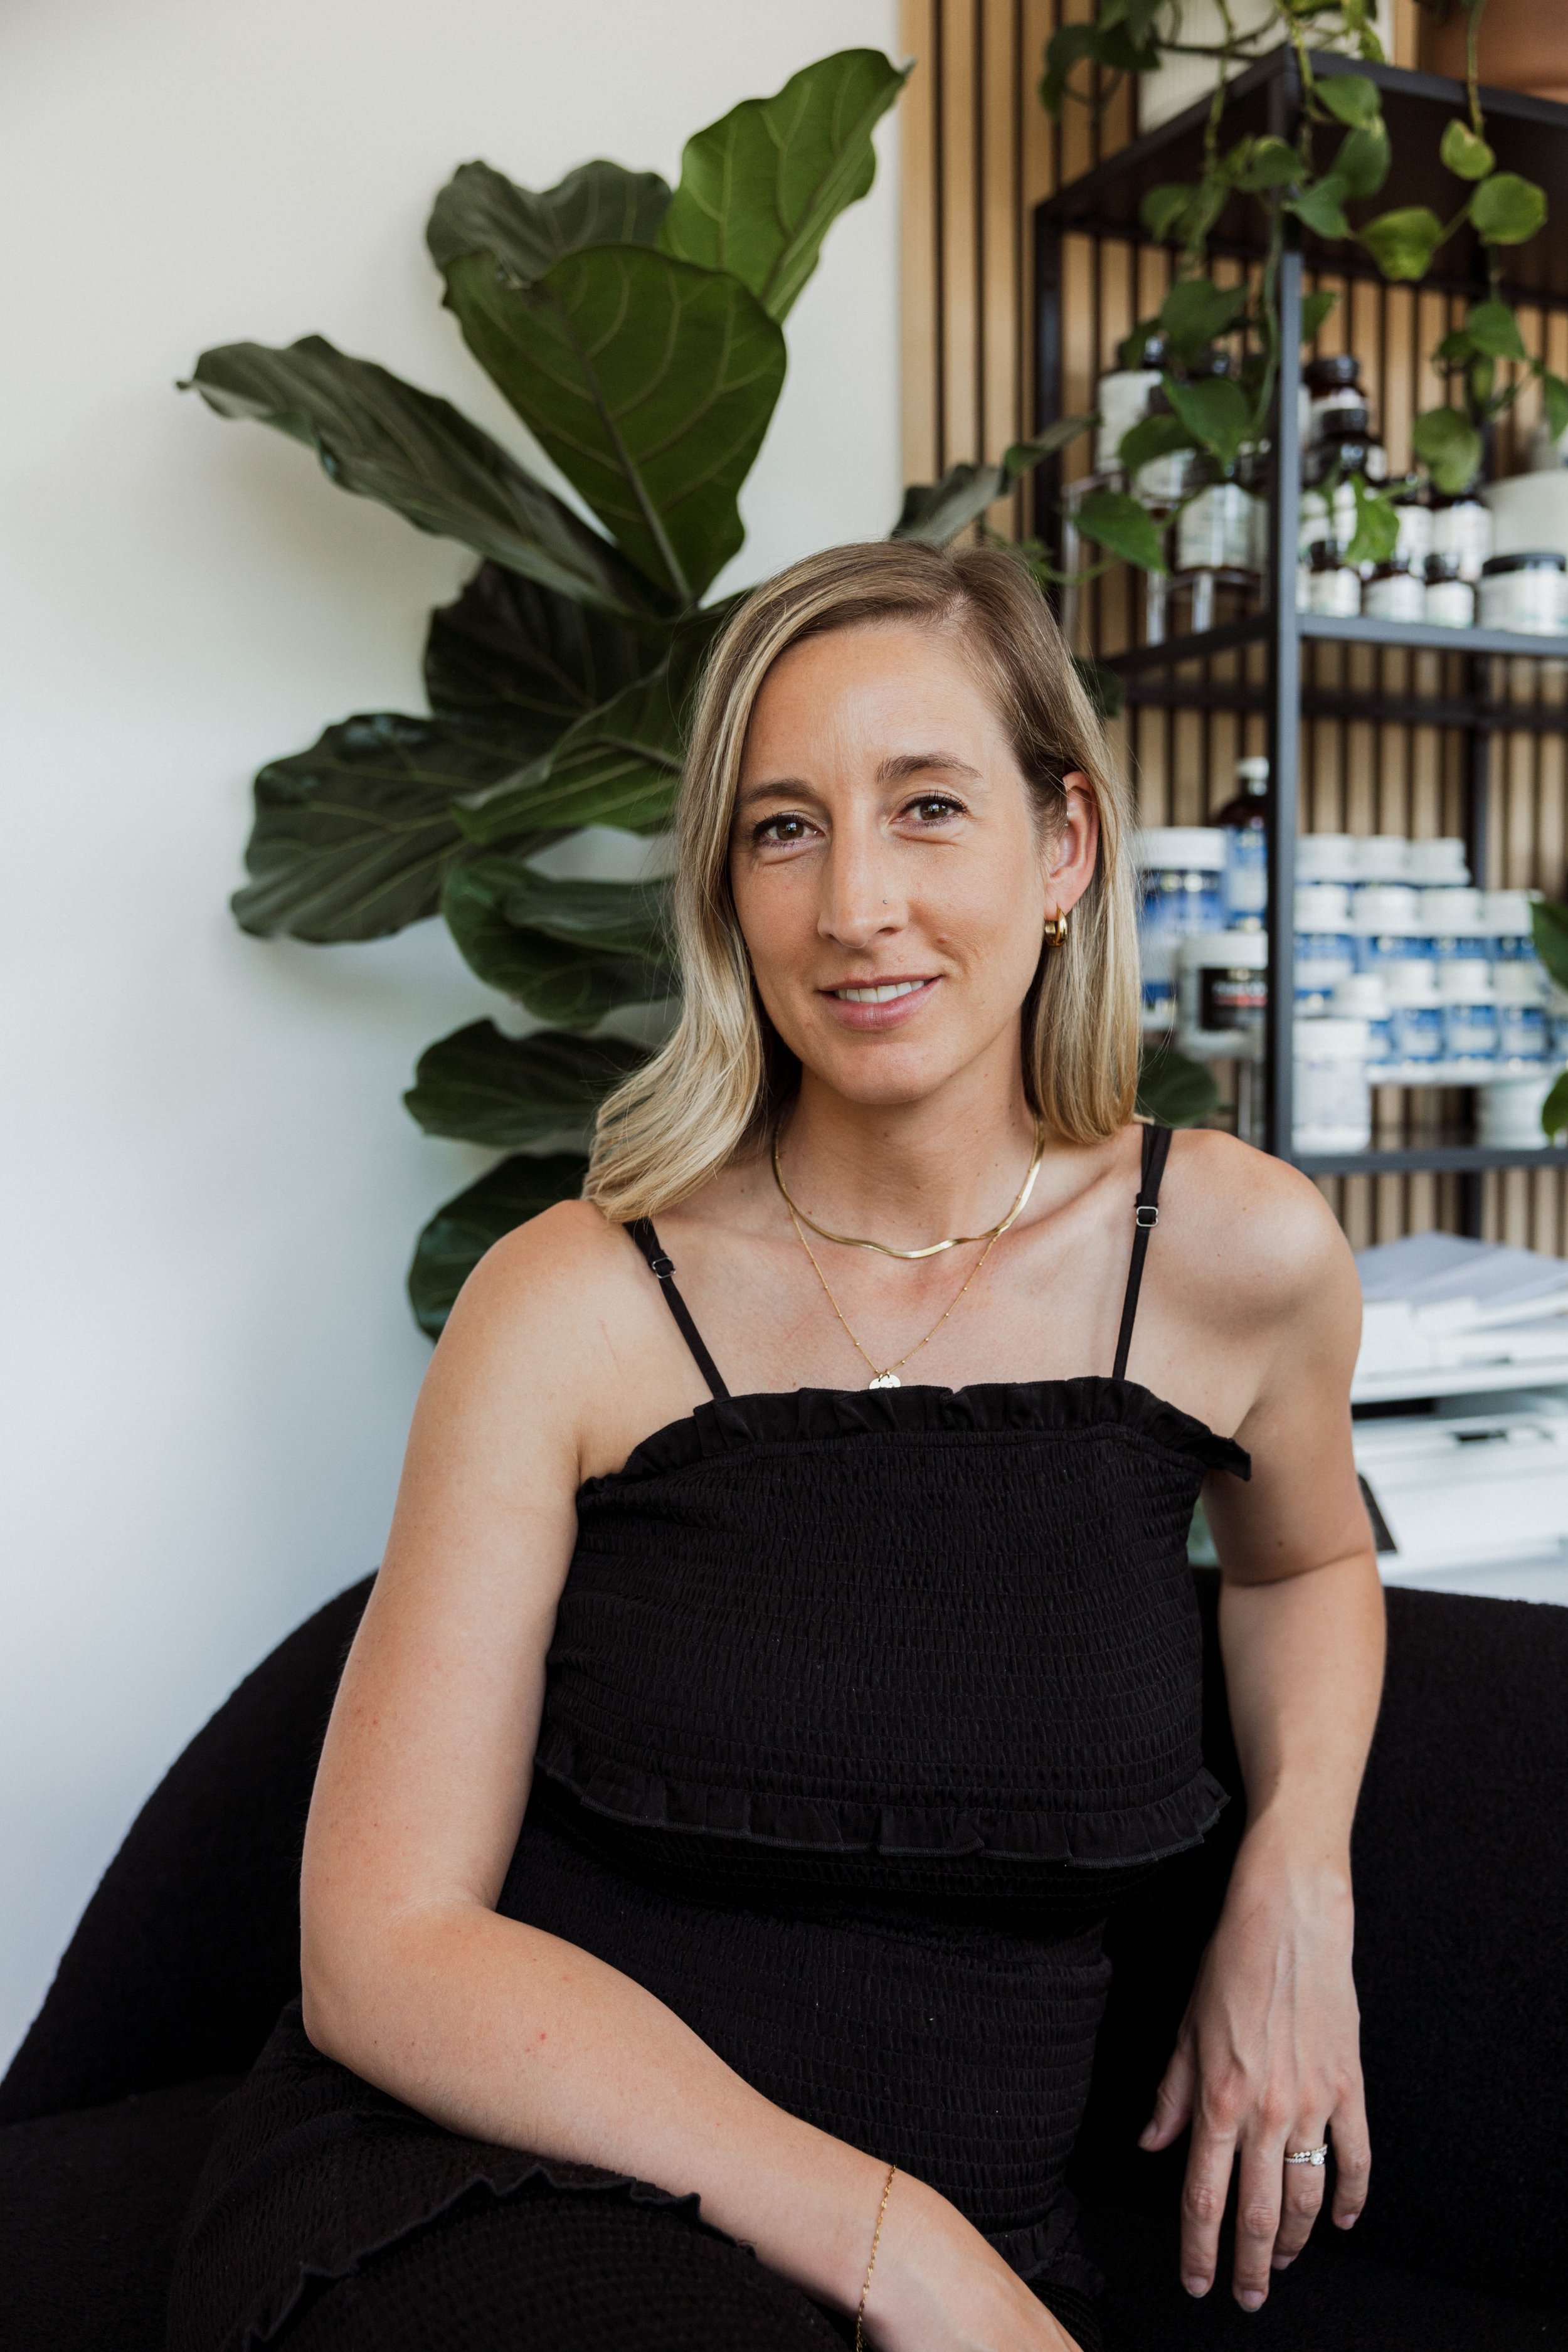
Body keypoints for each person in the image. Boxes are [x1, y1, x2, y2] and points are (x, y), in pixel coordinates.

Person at [169, 541, 1385, 2352]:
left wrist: (1297, 1873)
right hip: (507, 2186)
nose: (855, 905)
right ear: (727, 892)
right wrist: (904, 2249)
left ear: (1063, 846)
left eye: (927, 808)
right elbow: (379, 1946)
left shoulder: (1231, 1261)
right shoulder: (573, 1300)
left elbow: (1307, 1559)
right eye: (784, 830)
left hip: (977, 2243)